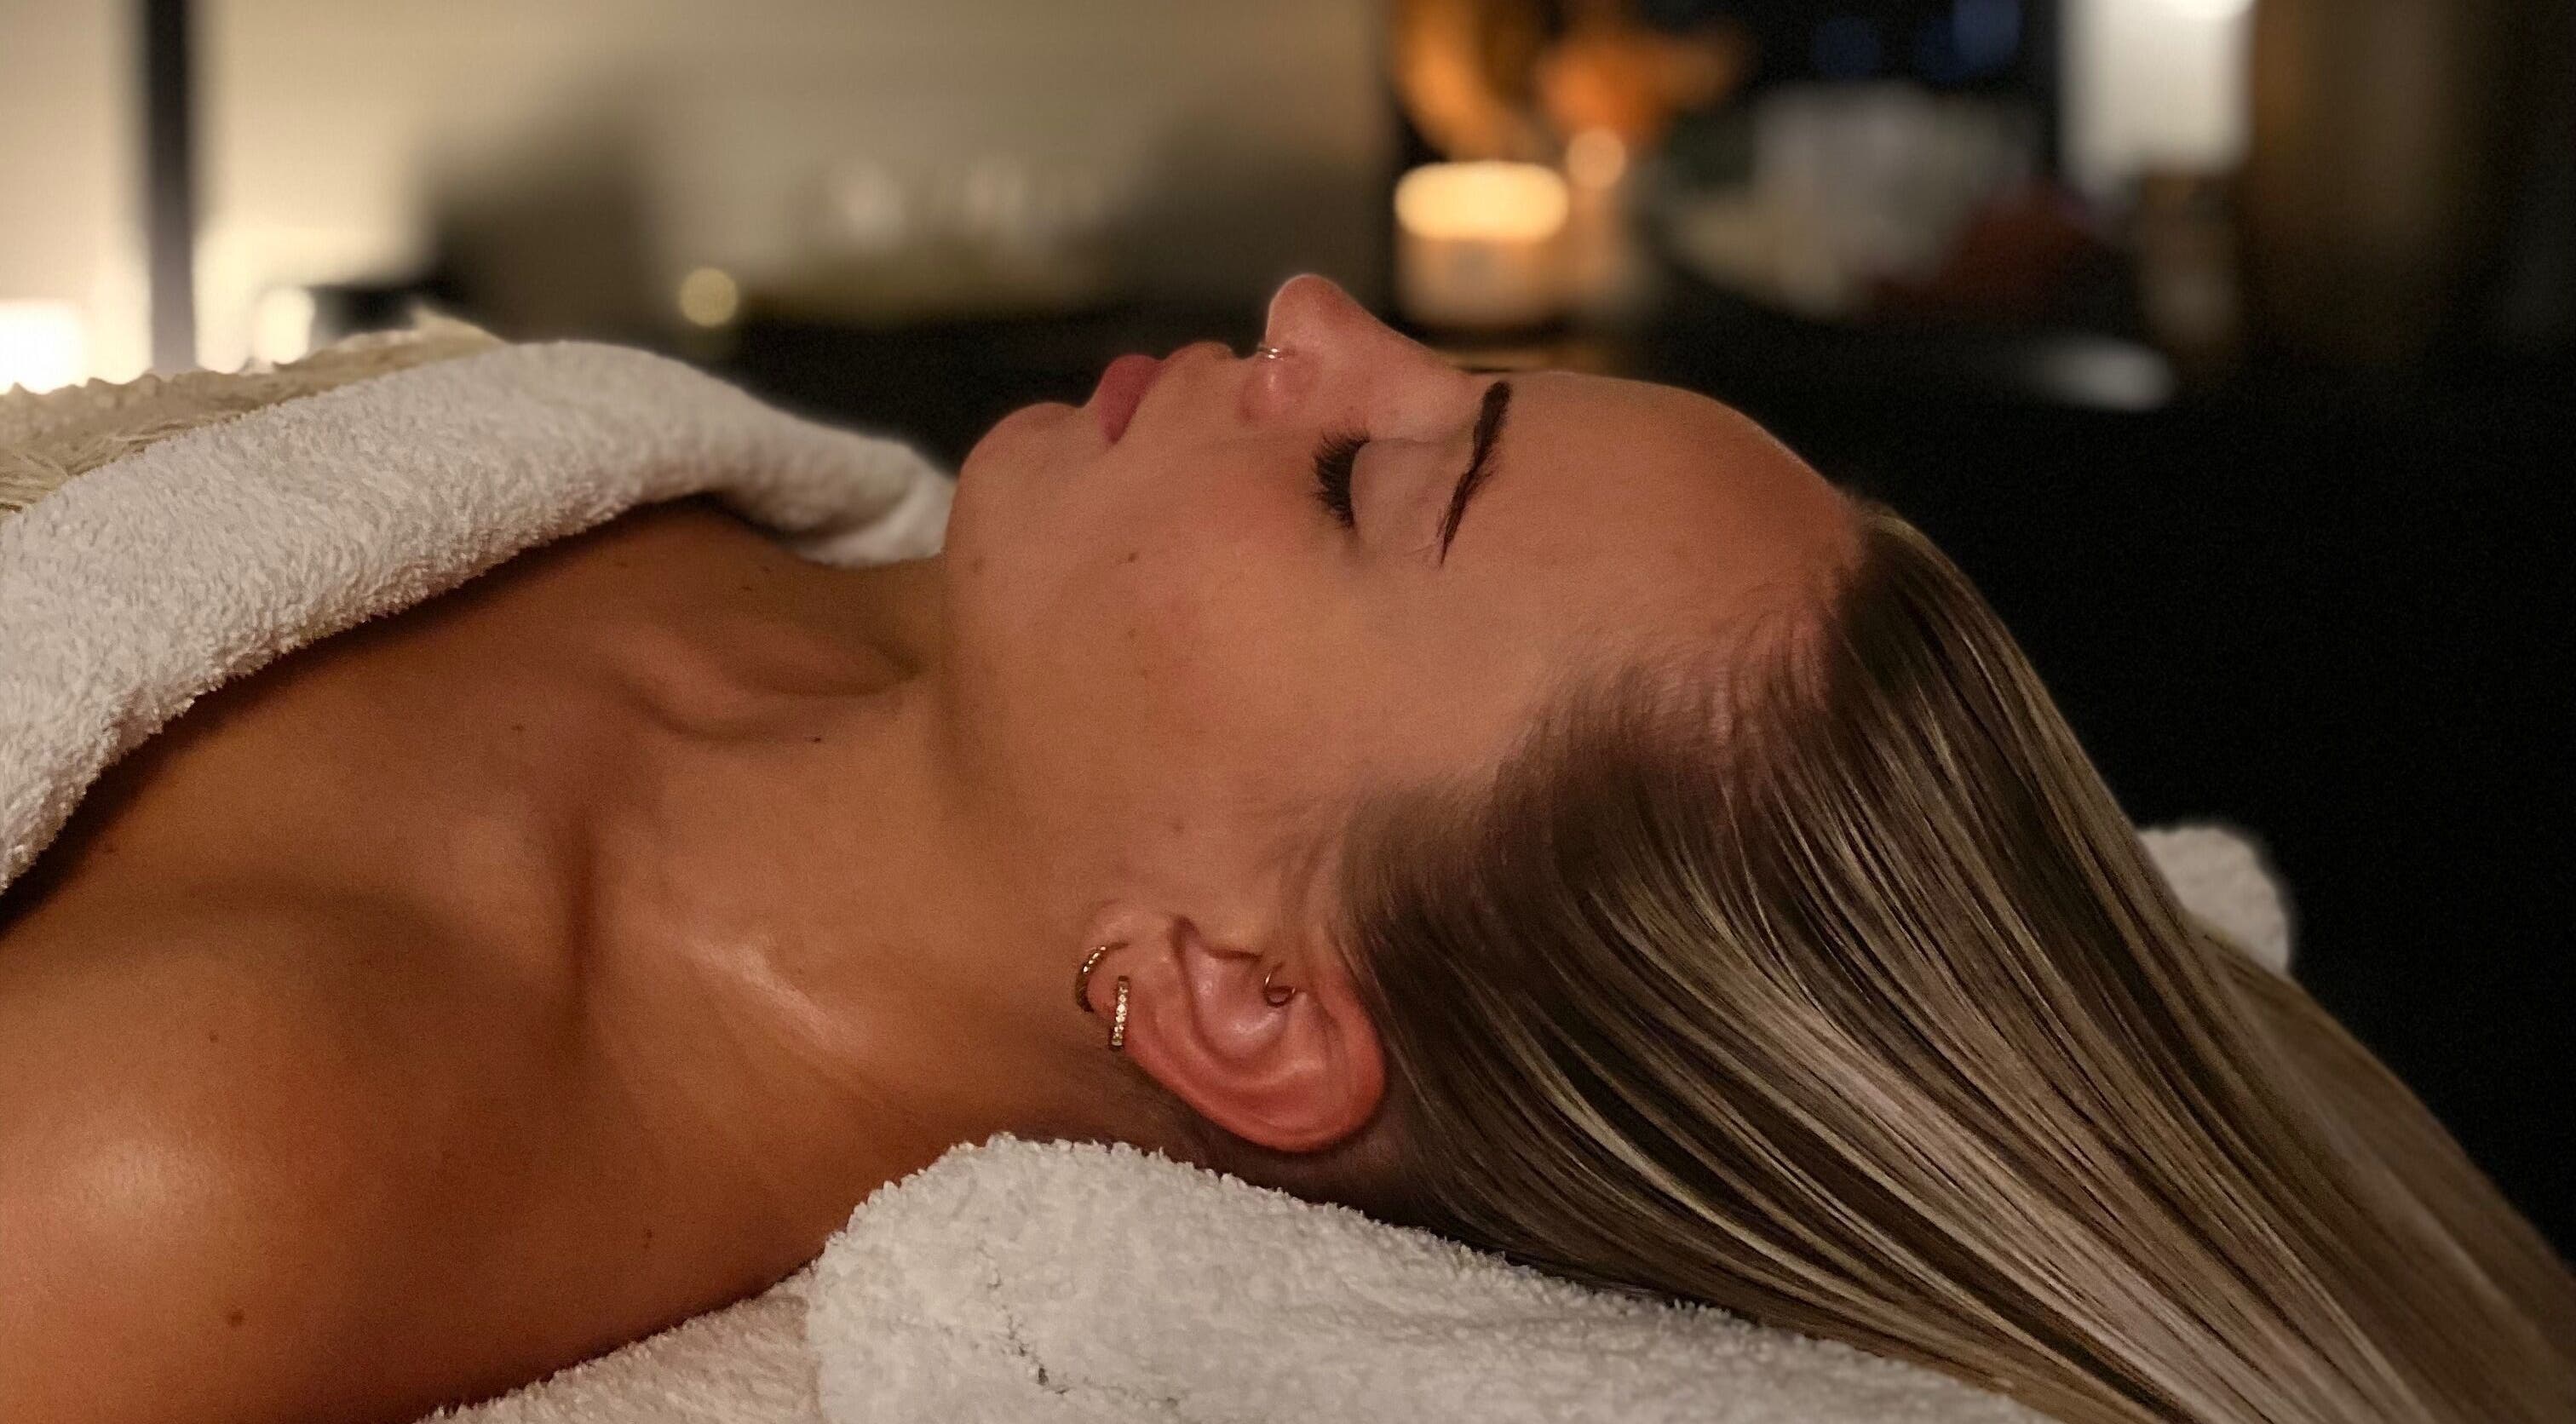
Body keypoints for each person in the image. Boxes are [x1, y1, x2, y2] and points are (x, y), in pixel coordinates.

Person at [1, 274, 2567, 1424]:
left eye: (1367, 480)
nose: (1319, 314)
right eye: (1462, 375)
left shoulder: (215, 1166)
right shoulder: (912, 616)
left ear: (1246, 1000)